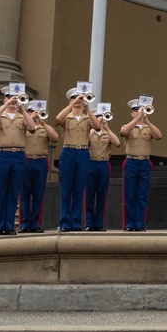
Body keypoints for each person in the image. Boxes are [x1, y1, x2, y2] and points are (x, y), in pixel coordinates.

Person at [0, 90, 37, 235]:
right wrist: (7, 104)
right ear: (4, 99)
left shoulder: (22, 116)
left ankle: (8, 226)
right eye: (9, 97)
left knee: (14, 191)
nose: (13, 99)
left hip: (19, 154)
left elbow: (32, 128)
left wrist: (22, 107)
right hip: (2, 153)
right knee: (1, 191)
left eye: (15, 97)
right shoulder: (0, 115)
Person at [56, 87, 101, 232]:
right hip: (68, 151)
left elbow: (98, 126)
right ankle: (64, 222)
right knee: (66, 189)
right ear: (70, 100)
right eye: (75, 98)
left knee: (78, 188)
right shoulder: (67, 116)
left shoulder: (87, 118)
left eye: (80, 99)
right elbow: (57, 120)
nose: (78, 101)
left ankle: (75, 222)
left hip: (82, 152)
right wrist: (71, 105)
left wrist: (88, 109)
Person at [120, 99, 162, 231]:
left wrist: (147, 121)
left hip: (144, 162)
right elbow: (124, 133)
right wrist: (137, 119)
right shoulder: (126, 125)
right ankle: (129, 224)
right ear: (132, 113)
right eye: (136, 111)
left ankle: (139, 224)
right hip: (131, 161)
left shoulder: (147, 128)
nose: (139, 113)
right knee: (129, 194)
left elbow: (159, 136)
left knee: (142, 195)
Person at [20, 100, 58, 233]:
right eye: (31, 111)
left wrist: (43, 123)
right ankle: (24, 223)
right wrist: (29, 119)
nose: (35, 114)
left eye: (36, 112)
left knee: (38, 194)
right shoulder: (22, 126)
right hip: (26, 161)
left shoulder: (44, 126)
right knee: (24, 194)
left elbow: (55, 138)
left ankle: (35, 223)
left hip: (41, 162)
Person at [84, 107, 119, 232]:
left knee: (101, 195)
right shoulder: (89, 132)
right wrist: (94, 128)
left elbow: (117, 142)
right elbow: (85, 142)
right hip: (90, 163)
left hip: (103, 164)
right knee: (89, 194)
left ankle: (98, 222)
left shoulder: (106, 133)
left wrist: (107, 128)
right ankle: (89, 222)